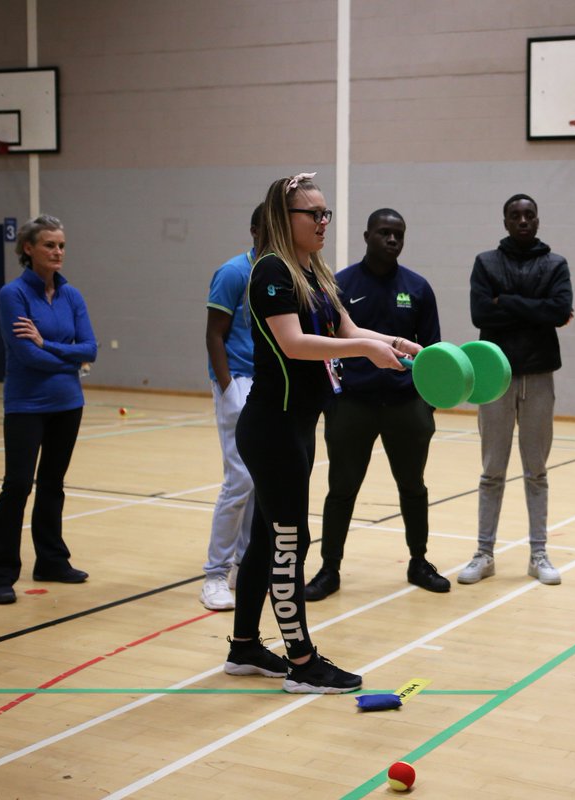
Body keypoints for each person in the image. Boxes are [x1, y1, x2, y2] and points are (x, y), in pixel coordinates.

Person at [225, 173, 421, 694]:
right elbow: (292, 343)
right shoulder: (272, 269)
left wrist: (399, 343)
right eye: (313, 214)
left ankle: (244, 647)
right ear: (282, 219)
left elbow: (349, 332)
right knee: (292, 540)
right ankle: (302, 662)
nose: (323, 222)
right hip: (271, 427)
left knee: (268, 538)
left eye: (326, 213)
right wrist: (365, 353)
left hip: (298, 426)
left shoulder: (315, 269)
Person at [305, 208, 450, 600]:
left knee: (413, 487)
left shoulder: (418, 288)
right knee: (342, 489)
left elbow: (433, 353)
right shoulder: (339, 285)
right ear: (367, 235)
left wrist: (426, 407)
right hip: (354, 406)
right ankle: (329, 568)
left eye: (398, 234)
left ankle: (419, 561)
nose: (392, 240)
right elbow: (326, 347)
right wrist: (333, 403)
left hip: (407, 406)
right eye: (384, 233)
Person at [458, 194, 573, 586]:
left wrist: (505, 300)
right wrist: (534, 308)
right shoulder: (485, 262)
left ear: (537, 220)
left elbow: (559, 311)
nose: (523, 221)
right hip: (493, 376)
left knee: (536, 470)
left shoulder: (555, 264)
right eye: (515, 215)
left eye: (529, 215)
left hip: (539, 375)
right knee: (492, 471)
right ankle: (483, 553)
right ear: (505, 221)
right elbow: (480, 313)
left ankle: (538, 554)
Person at [0, 215, 97, 605]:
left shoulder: (72, 296)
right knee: (17, 486)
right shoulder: (12, 295)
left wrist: (49, 345)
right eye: (50, 245)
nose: (58, 252)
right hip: (26, 404)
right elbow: (25, 354)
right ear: (28, 249)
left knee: (53, 484)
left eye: (62, 245)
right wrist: (66, 355)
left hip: (68, 403)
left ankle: (51, 560)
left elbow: (90, 349)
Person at [200, 203, 264, 612]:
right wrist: (227, 388)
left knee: (260, 481)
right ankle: (214, 575)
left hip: (271, 384)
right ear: (256, 229)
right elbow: (214, 333)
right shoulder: (233, 272)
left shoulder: (283, 274)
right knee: (239, 479)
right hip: (238, 381)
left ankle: (244, 565)